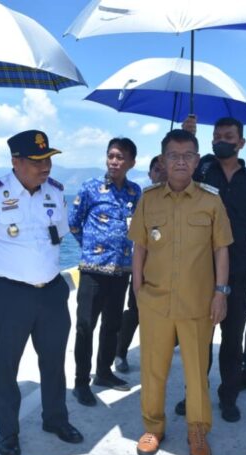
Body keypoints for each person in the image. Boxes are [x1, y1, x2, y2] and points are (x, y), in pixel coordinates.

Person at [0, 129, 83, 455]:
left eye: (48, 159)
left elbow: (57, 235)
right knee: (5, 366)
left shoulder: (55, 193)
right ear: (16, 162)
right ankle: (8, 432)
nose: (45, 166)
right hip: (10, 294)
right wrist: (0, 269)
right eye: (36, 161)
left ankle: (55, 419)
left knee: (54, 361)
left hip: (51, 292)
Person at [129, 129, 233, 455]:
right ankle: (153, 427)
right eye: (173, 155)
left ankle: (197, 430)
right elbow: (139, 247)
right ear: (162, 161)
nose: (180, 162)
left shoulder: (211, 200)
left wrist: (221, 292)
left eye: (188, 155)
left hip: (198, 302)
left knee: (196, 370)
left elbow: (221, 250)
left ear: (198, 161)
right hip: (155, 300)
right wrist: (137, 289)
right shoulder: (149, 199)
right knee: (153, 368)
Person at [177, 116, 246, 423]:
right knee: (198, 341)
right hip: (199, 272)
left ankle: (228, 397)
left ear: (241, 142)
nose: (221, 140)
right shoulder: (201, 168)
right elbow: (175, 175)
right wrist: (184, 136)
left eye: (229, 136)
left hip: (240, 273)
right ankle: (195, 393)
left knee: (232, 342)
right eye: (216, 135)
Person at [69, 137, 142, 405]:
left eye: (120, 157)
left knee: (112, 325)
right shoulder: (90, 188)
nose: (114, 161)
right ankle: (80, 382)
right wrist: (92, 248)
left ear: (131, 162)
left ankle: (103, 372)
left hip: (121, 271)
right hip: (93, 270)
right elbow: (74, 223)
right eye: (111, 155)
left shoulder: (136, 192)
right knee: (85, 326)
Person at [114, 155, 164, 373]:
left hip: (170, 269)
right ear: (150, 173)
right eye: (157, 169)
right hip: (143, 266)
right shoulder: (141, 198)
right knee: (135, 312)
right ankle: (120, 353)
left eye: (165, 168)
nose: (161, 172)